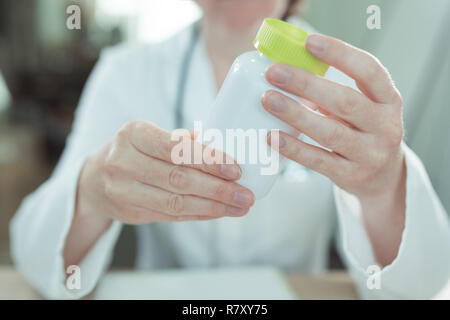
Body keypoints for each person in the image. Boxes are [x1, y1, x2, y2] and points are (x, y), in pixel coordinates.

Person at [10, 0, 450, 299]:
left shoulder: (343, 90)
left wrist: (384, 184)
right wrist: (90, 192)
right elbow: (34, 257)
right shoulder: (127, 73)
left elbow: (417, 286)